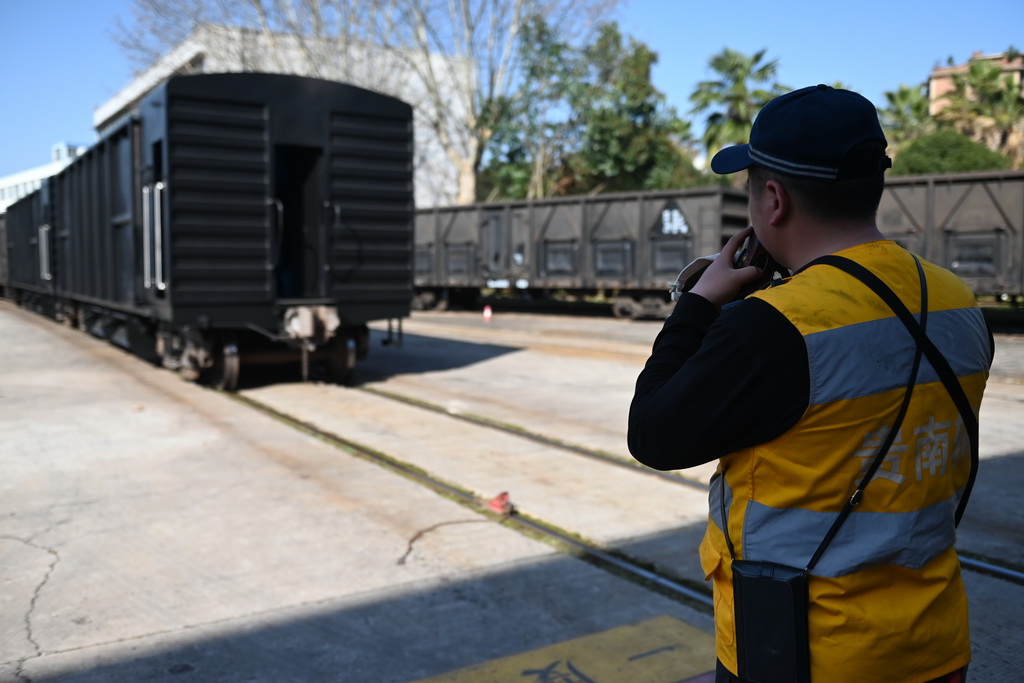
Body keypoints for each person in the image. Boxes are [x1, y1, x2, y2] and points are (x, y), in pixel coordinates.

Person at [628, 85, 992, 683]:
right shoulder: (958, 303)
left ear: (773, 200)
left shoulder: (774, 326)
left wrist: (696, 307)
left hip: (802, 653)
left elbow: (653, 435)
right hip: (933, 643)